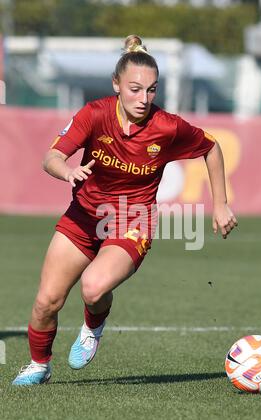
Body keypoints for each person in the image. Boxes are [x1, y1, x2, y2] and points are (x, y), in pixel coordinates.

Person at [12, 35, 238, 386]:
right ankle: (39, 364)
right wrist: (68, 171)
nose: (144, 99)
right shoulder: (94, 114)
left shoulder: (168, 126)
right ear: (116, 84)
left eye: (151, 90)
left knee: (93, 287)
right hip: (83, 216)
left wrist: (220, 203)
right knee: (46, 302)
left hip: (134, 220)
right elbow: (51, 157)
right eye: (135, 89)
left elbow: (211, 148)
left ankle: (92, 327)